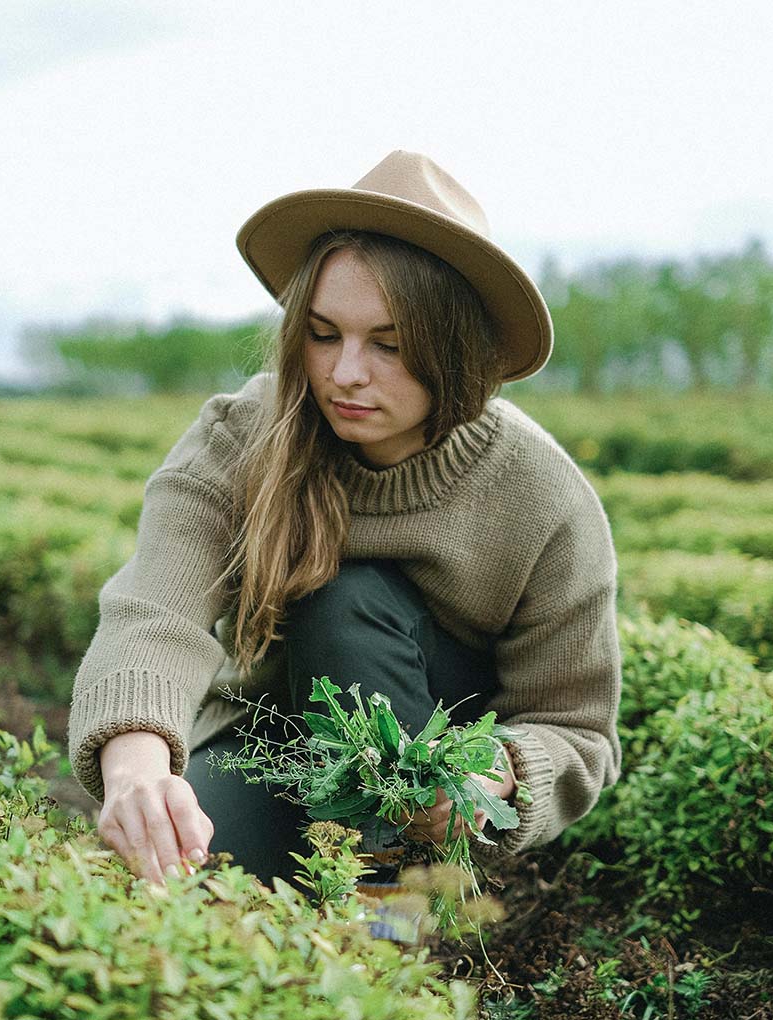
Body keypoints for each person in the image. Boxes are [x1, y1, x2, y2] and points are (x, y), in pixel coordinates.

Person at [67, 150, 622, 886]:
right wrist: (137, 765)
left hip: (429, 789)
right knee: (179, 879)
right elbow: (153, 613)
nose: (345, 373)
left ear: (456, 353)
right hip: (276, 744)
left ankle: (399, 903)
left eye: (388, 345)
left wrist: (497, 772)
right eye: (324, 334)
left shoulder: (540, 495)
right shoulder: (242, 436)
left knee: (345, 600)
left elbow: (578, 726)